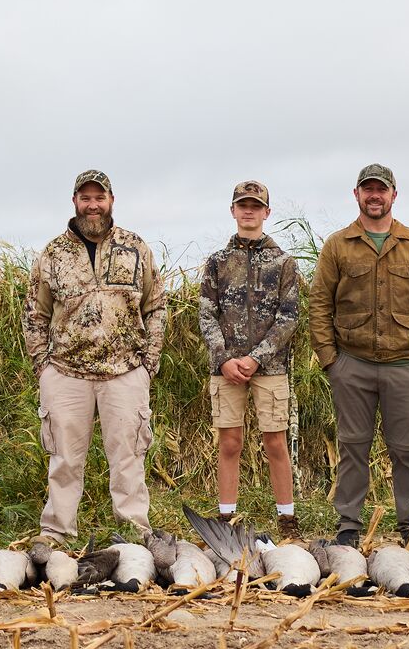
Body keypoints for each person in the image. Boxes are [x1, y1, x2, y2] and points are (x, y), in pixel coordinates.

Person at [23, 169, 168, 543]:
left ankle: (134, 532)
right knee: (65, 460)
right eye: (85, 198)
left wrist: (148, 363)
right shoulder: (54, 253)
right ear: (74, 202)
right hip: (66, 373)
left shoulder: (136, 248)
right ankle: (56, 531)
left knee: (128, 458)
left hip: (125, 372)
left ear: (111, 201)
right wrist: (43, 366)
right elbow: (34, 314)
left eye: (99, 198)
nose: (92, 205)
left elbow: (156, 307)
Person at [307, 164, 409, 547]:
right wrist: (330, 360)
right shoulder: (338, 245)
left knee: (407, 451)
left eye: (381, 190)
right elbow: (319, 303)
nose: (374, 196)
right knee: (353, 448)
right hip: (351, 364)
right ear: (356, 195)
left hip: (405, 366)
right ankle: (348, 528)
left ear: (393, 196)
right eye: (367, 189)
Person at [198, 180, 302, 539]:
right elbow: (206, 315)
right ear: (232, 211)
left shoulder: (283, 262)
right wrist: (225, 359)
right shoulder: (217, 263)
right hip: (225, 370)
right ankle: (226, 522)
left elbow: (289, 317)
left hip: (270, 369)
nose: (249, 211)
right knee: (230, 442)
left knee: (275, 441)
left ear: (266, 213)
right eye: (243, 205)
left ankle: (287, 522)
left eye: (256, 206)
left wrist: (256, 359)